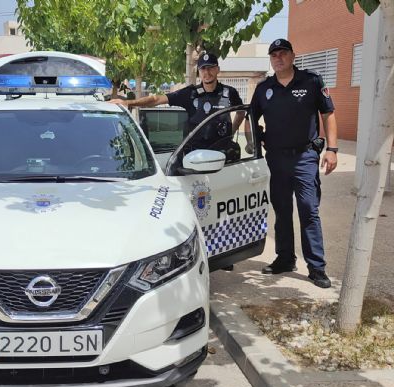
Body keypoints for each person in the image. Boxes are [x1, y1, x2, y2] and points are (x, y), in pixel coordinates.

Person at [249, 38, 338, 288]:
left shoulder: (311, 81)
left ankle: (317, 267)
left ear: (293, 56)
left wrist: (332, 149)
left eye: (283, 53)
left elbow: (328, 113)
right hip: (276, 158)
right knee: (282, 210)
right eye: (274, 54)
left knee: (309, 210)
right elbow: (250, 118)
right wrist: (253, 142)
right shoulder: (264, 88)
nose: (278, 58)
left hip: (305, 158)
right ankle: (285, 258)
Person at [109, 52, 245, 161]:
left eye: (210, 68)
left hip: (223, 155)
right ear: (199, 71)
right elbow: (156, 99)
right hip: (196, 156)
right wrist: (128, 103)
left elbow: (241, 112)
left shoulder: (230, 92)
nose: (207, 72)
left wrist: (231, 132)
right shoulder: (190, 93)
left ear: (218, 70)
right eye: (203, 68)